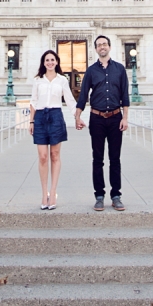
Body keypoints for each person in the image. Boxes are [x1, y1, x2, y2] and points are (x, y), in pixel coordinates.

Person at [74, 35, 129, 210]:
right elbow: (83, 96)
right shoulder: (91, 71)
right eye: (99, 45)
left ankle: (116, 195)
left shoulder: (120, 70)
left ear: (109, 47)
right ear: (96, 49)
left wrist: (125, 118)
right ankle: (99, 195)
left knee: (115, 158)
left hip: (115, 118)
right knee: (97, 158)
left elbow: (125, 96)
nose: (102, 47)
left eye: (104, 44)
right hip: (96, 118)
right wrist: (77, 116)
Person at [30, 49, 76, 210]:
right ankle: (44, 194)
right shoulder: (38, 80)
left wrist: (77, 116)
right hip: (41, 117)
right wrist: (31, 122)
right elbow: (33, 101)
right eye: (47, 60)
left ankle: (53, 192)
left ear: (57, 62)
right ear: (43, 63)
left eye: (52, 60)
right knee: (42, 157)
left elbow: (69, 100)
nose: (50, 62)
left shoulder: (62, 80)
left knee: (54, 155)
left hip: (56, 116)